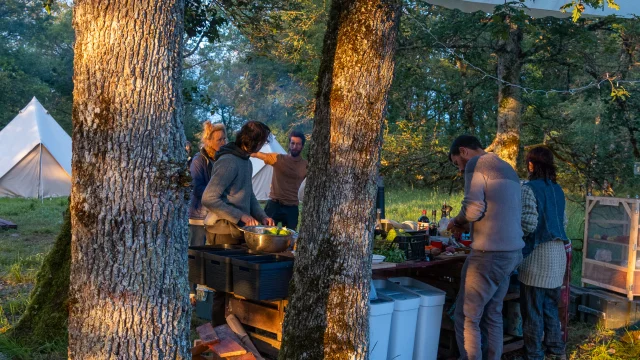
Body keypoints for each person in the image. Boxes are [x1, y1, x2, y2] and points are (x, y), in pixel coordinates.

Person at [446, 135, 524, 360]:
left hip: (488, 254)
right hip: (512, 253)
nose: (460, 170)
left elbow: (473, 209)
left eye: (457, 163)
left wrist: (457, 221)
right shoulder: (507, 167)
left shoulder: (476, 163)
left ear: (464, 151)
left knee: (466, 316)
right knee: (493, 313)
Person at [519, 146, 569, 360]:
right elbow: (563, 222)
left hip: (537, 259)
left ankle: (534, 356)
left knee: (532, 313)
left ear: (531, 164)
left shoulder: (529, 188)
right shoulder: (558, 189)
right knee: (551, 309)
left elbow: (529, 224)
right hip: (558, 257)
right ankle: (557, 352)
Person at [202, 121, 275, 245]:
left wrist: (262, 216)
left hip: (238, 231)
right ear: (253, 141)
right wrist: (240, 216)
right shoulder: (228, 161)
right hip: (222, 232)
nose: (262, 146)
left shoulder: (246, 162)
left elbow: (249, 195)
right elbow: (208, 198)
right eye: (261, 142)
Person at [188, 121, 227, 305]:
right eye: (219, 139)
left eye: (224, 138)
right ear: (209, 140)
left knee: (210, 254)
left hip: (215, 216)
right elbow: (197, 187)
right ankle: (191, 292)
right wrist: (216, 196)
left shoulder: (221, 160)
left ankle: (206, 292)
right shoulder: (199, 160)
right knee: (195, 253)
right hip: (198, 215)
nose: (223, 142)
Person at [251, 130, 308, 229]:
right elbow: (257, 154)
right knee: (266, 234)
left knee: (290, 238)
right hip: (274, 204)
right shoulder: (278, 158)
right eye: (293, 143)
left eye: (298, 144)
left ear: (302, 146)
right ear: (289, 144)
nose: (295, 146)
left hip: (292, 207)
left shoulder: (306, 165)